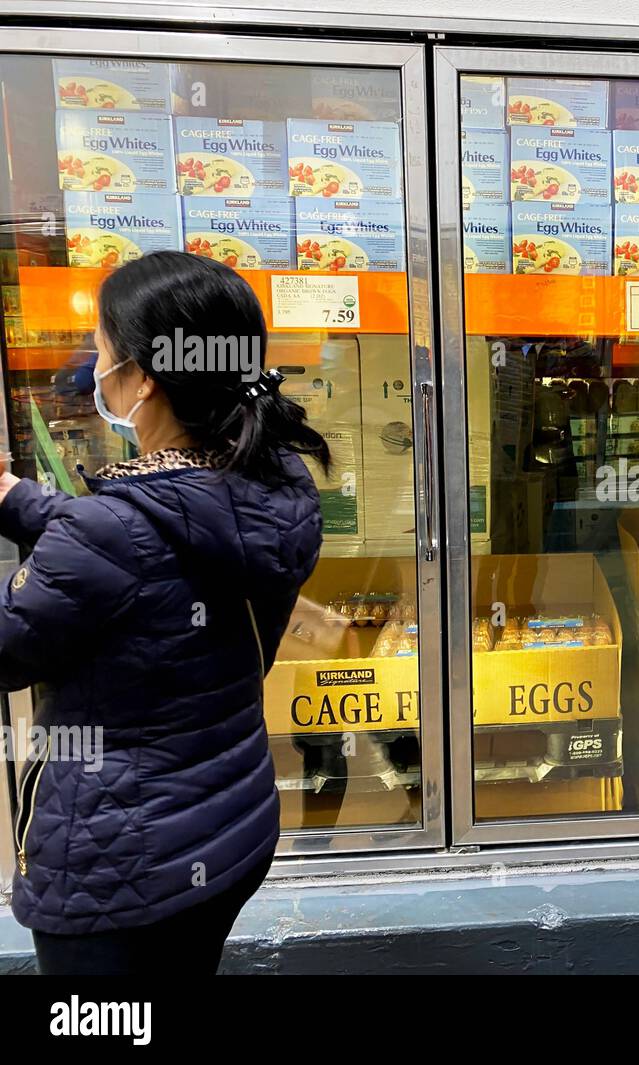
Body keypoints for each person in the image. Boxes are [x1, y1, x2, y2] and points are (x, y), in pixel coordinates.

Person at [0, 251, 328, 975]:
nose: (94, 366)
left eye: (103, 350)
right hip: (226, 825)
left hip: (118, 871)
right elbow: (141, 549)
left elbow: (35, 624)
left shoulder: (112, 531)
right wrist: (19, 502)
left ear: (143, 378)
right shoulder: (274, 484)